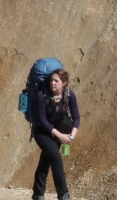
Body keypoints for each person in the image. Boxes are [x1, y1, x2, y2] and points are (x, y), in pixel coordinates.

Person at [29, 69, 79, 200]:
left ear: (64, 83)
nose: (52, 83)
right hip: (42, 131)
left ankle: (38, 194)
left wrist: (71, 136)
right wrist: (60, 136)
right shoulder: (42, 95)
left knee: (47, 159)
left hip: (59, 130)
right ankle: (63, 194)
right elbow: (43, 120)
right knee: (55, 157)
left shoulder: (69, 95)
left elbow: (77, 118)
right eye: (51, 80)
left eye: (56, 81)